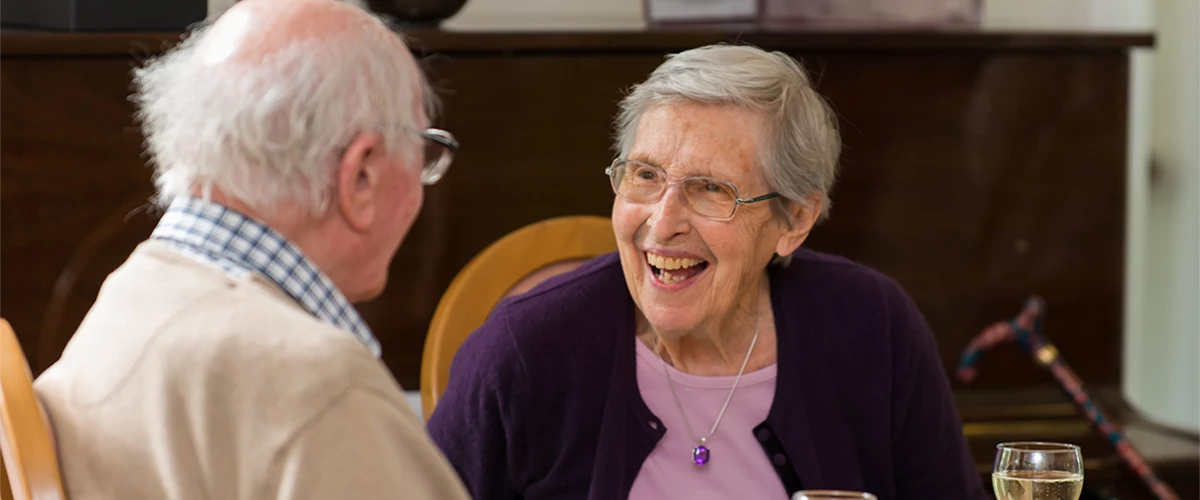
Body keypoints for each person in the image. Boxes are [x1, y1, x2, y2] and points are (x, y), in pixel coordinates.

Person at [427, 44, 988, 500]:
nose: (663, 222)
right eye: (645, 175)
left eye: (710, 189)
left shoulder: (873, 326)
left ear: (794, 220)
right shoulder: (528, 347)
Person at [33, 1, 469, 498]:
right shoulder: (315, 386)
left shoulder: (129, 295)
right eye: (422, 152)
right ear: (361, 176)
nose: (423, 181)